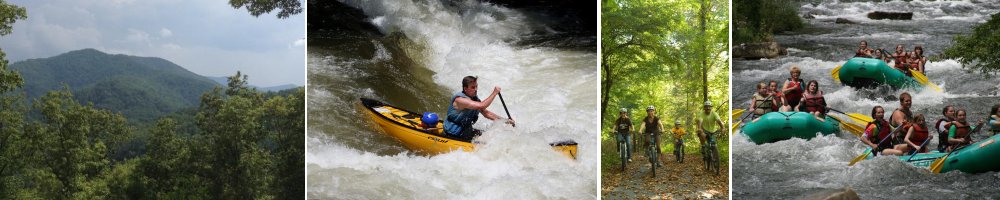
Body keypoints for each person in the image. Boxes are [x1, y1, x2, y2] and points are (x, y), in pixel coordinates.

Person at [444, 76, 515, 140]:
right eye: (473, 87)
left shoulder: (475, 100)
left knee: (490, 137)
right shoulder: (460, 100)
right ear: (465, 88)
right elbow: (482, 105)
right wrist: (494, 93)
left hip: (465, 132)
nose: (475, 89)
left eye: (476, 86)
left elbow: (487, 114)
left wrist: (506, 121)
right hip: (452, 133)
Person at [698, 100, 725, 170]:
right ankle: (703, 147)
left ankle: (714, 157)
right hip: (704, 130)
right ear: (704, 108)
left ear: (711, 108)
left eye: (709, 107)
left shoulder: (714, 113)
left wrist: (723, 128)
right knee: (702, 135)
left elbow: (719, 121)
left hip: (713, 131)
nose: (708, 108)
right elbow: (700, 122)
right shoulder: (701, 114)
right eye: (706, 107)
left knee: (713, 144)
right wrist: (700, 129)